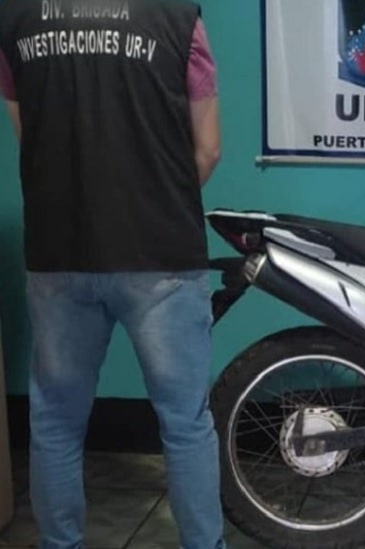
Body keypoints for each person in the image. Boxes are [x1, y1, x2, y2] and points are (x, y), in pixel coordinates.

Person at [0, 0, 224, 547]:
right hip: (160, 253)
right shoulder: (177, 17)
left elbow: (30, 138)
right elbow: (209, 149)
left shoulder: (14, 19)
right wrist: (155, 199)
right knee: (185, 422)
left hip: (60, 249)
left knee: (55, 421)